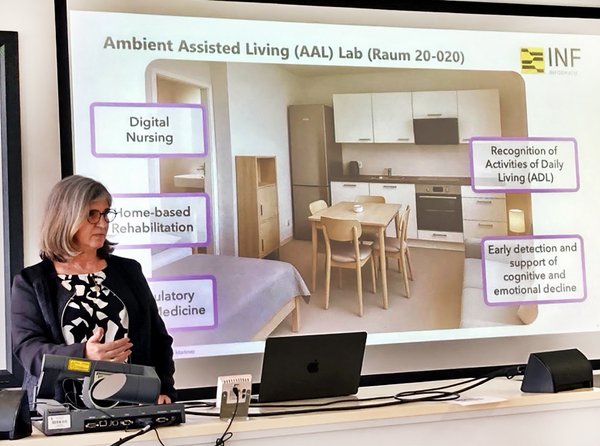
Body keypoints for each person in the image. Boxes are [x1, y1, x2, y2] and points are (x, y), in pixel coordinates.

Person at [11, 175, 176, 407]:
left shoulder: (129, 271)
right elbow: (28, 349)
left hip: (134, 406)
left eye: (105, 213)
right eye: (92, 214)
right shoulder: (31, 282)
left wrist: (164, 388)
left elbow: (158, 339)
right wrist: (84, 354)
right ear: (66, 217)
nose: (103, 223)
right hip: (59, 409)